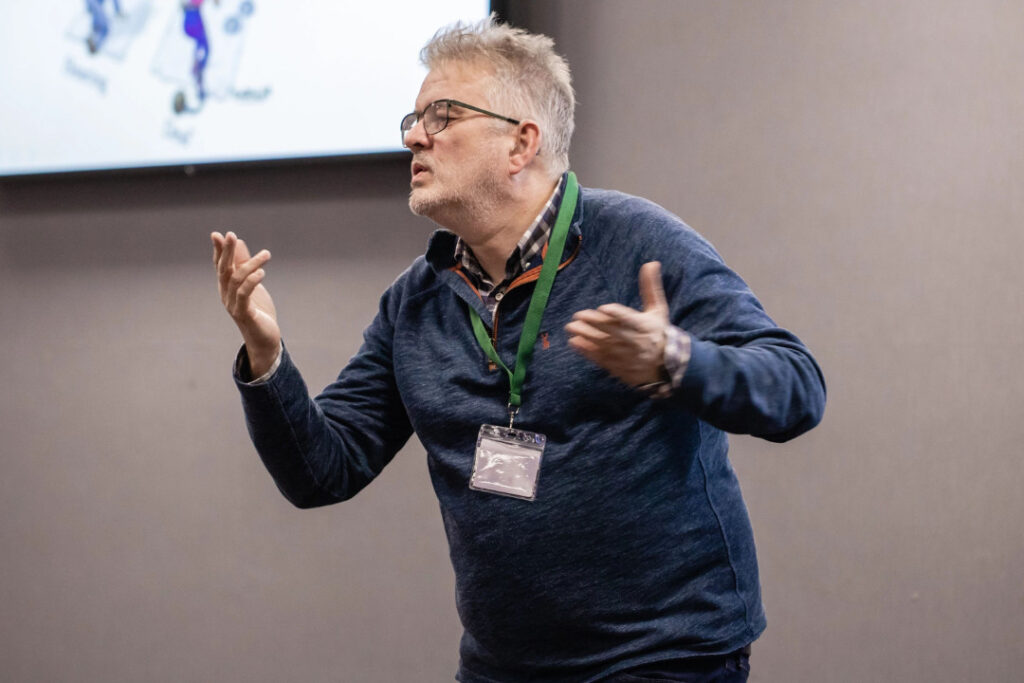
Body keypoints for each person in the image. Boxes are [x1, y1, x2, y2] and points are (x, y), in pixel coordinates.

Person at [211, 16, 825, 683]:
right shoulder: (414, 302)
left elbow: (796, 387)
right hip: (506, 665)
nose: (416, 136)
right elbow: (321, 470)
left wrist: (676, 362)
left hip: (663, 652)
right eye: (412, 121)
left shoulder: (640, 243)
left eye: (443, 116)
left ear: (520, 143)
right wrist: (266, 357)